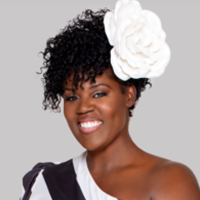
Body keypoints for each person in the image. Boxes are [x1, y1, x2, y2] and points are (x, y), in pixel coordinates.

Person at [20, 0, 200, 200]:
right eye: (72, 97)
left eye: (99, 93)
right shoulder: (45, 184)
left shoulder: (169, 181)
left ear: (129, 95)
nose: (84, 107)